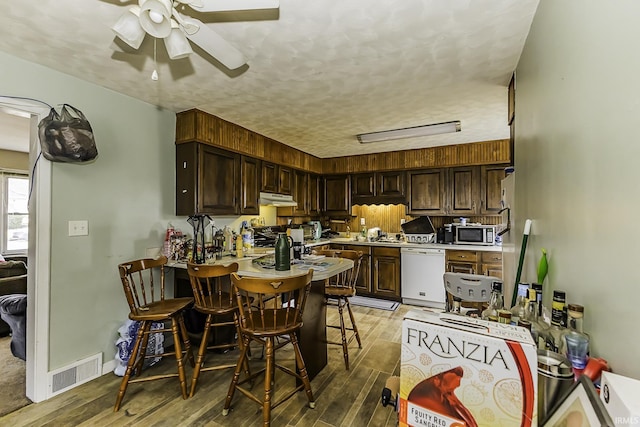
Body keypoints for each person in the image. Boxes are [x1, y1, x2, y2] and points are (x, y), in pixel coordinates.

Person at [407, 366, 478, 427]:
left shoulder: (447, 398)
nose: (458, 385)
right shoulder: (422, 399)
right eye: (449, 390)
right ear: (436, 380)